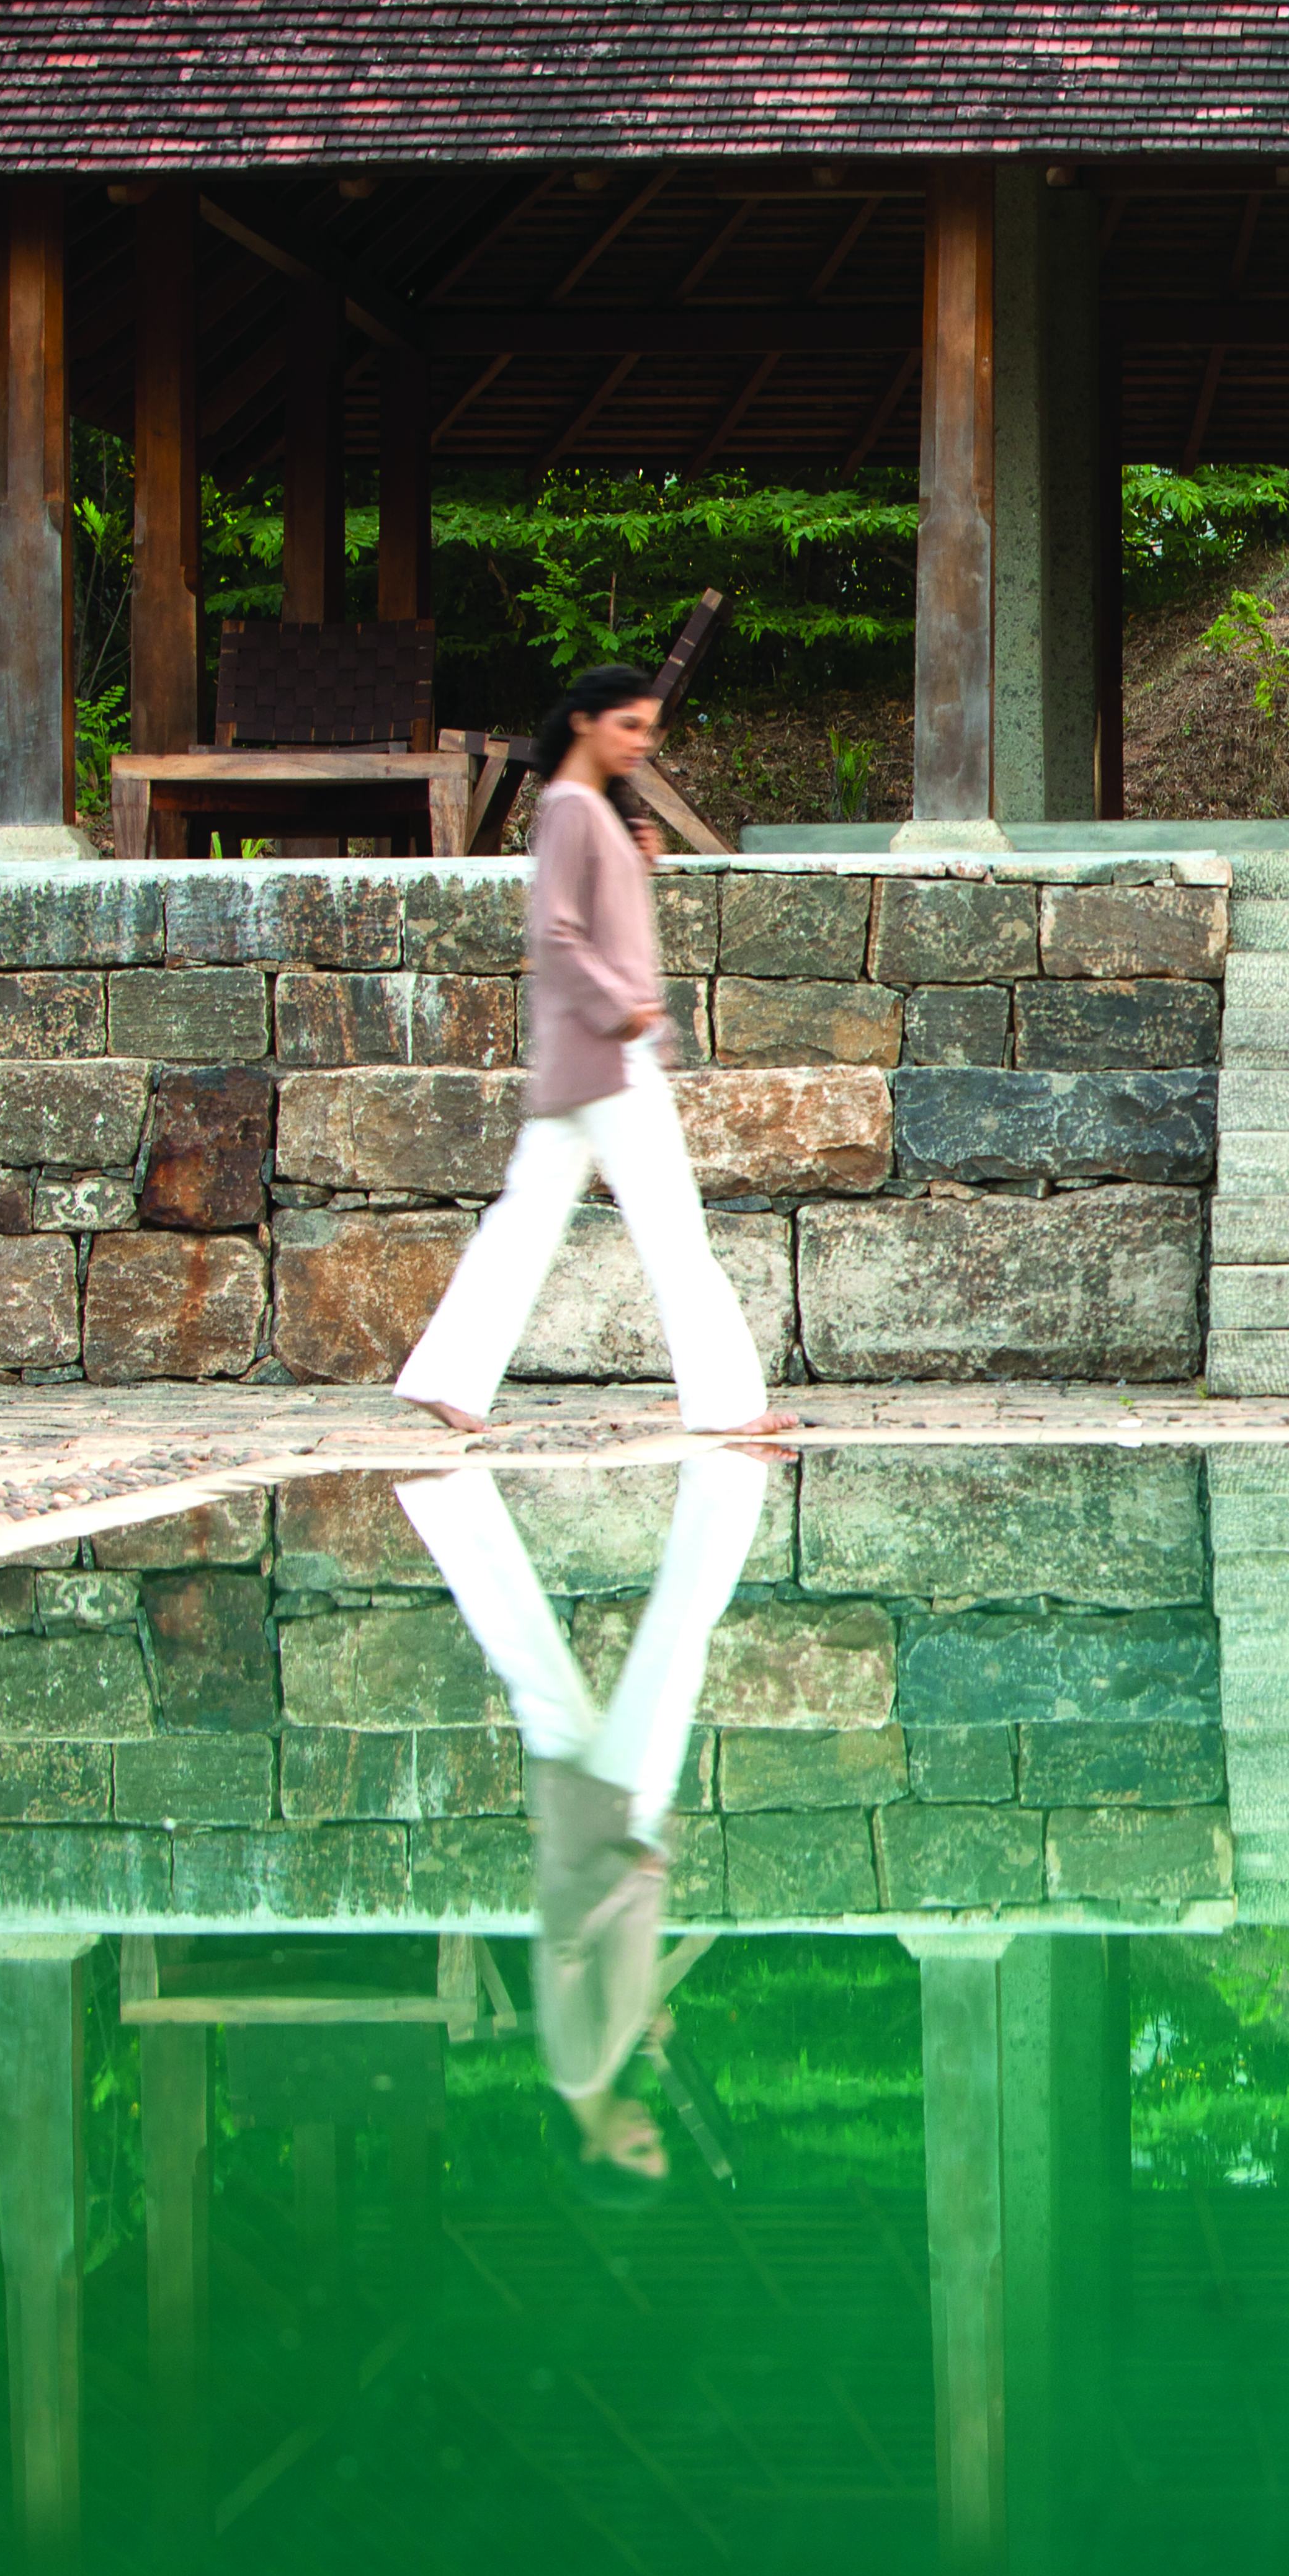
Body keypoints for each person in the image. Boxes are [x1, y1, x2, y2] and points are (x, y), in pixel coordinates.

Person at [394, 662, 792, 1437]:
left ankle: (446, 1376)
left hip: (590, 1057)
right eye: (629, 726)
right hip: (611, 1055)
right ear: (585, 722)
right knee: (674, 1229)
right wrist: (624, 1009)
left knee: (525, 1220)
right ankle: (728, 1405)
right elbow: (554, 932)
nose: (641, 742)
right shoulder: (573, 808)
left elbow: (592, 916)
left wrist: (631, 855)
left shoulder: (586, 809)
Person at [399, 1451, 778, 2192]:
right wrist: (641, 2015)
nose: (647, 2134)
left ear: (595, 2154)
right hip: (595, 1815)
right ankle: (445, 1501)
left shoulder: (578, 2066)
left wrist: (627, 1874)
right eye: (657, 2145)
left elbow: (565, 1944)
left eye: (637, 2151)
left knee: (680, 1631)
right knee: (531, 1654)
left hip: (615, 1819)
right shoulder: (599, 2066)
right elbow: (602, 1961)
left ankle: (726, 1473)